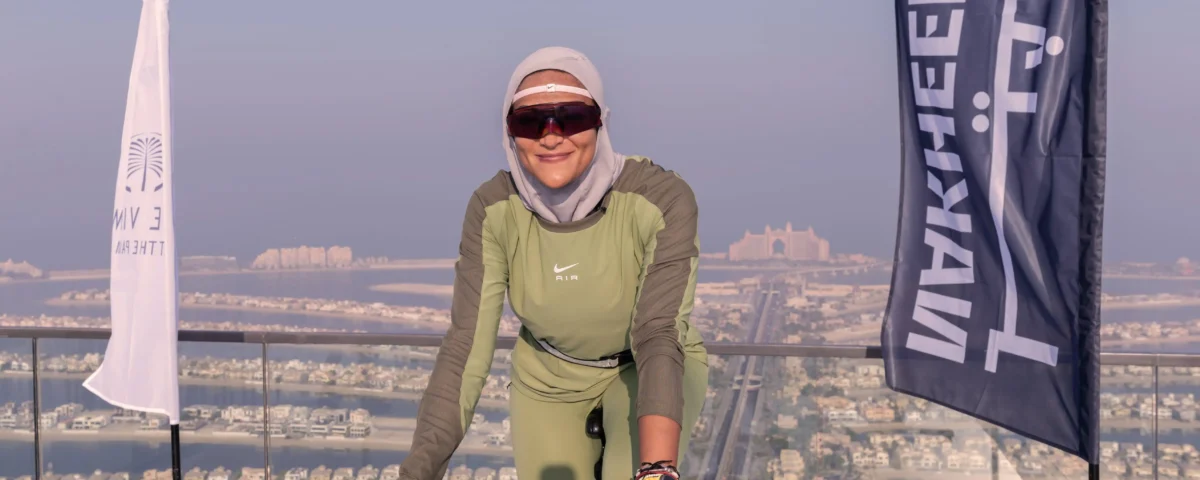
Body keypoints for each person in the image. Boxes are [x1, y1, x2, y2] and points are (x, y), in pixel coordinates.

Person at [398, 46, 709, 480]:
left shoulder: (659, 198)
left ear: (601, 122)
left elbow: (658, 333)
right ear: (509, 132)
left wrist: (657, 469)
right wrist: (418, 471)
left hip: (646, 367)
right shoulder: (493, 210)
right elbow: (466, 347)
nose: (550, 135)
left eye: (573, 117)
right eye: (529, 121)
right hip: (548, 376)